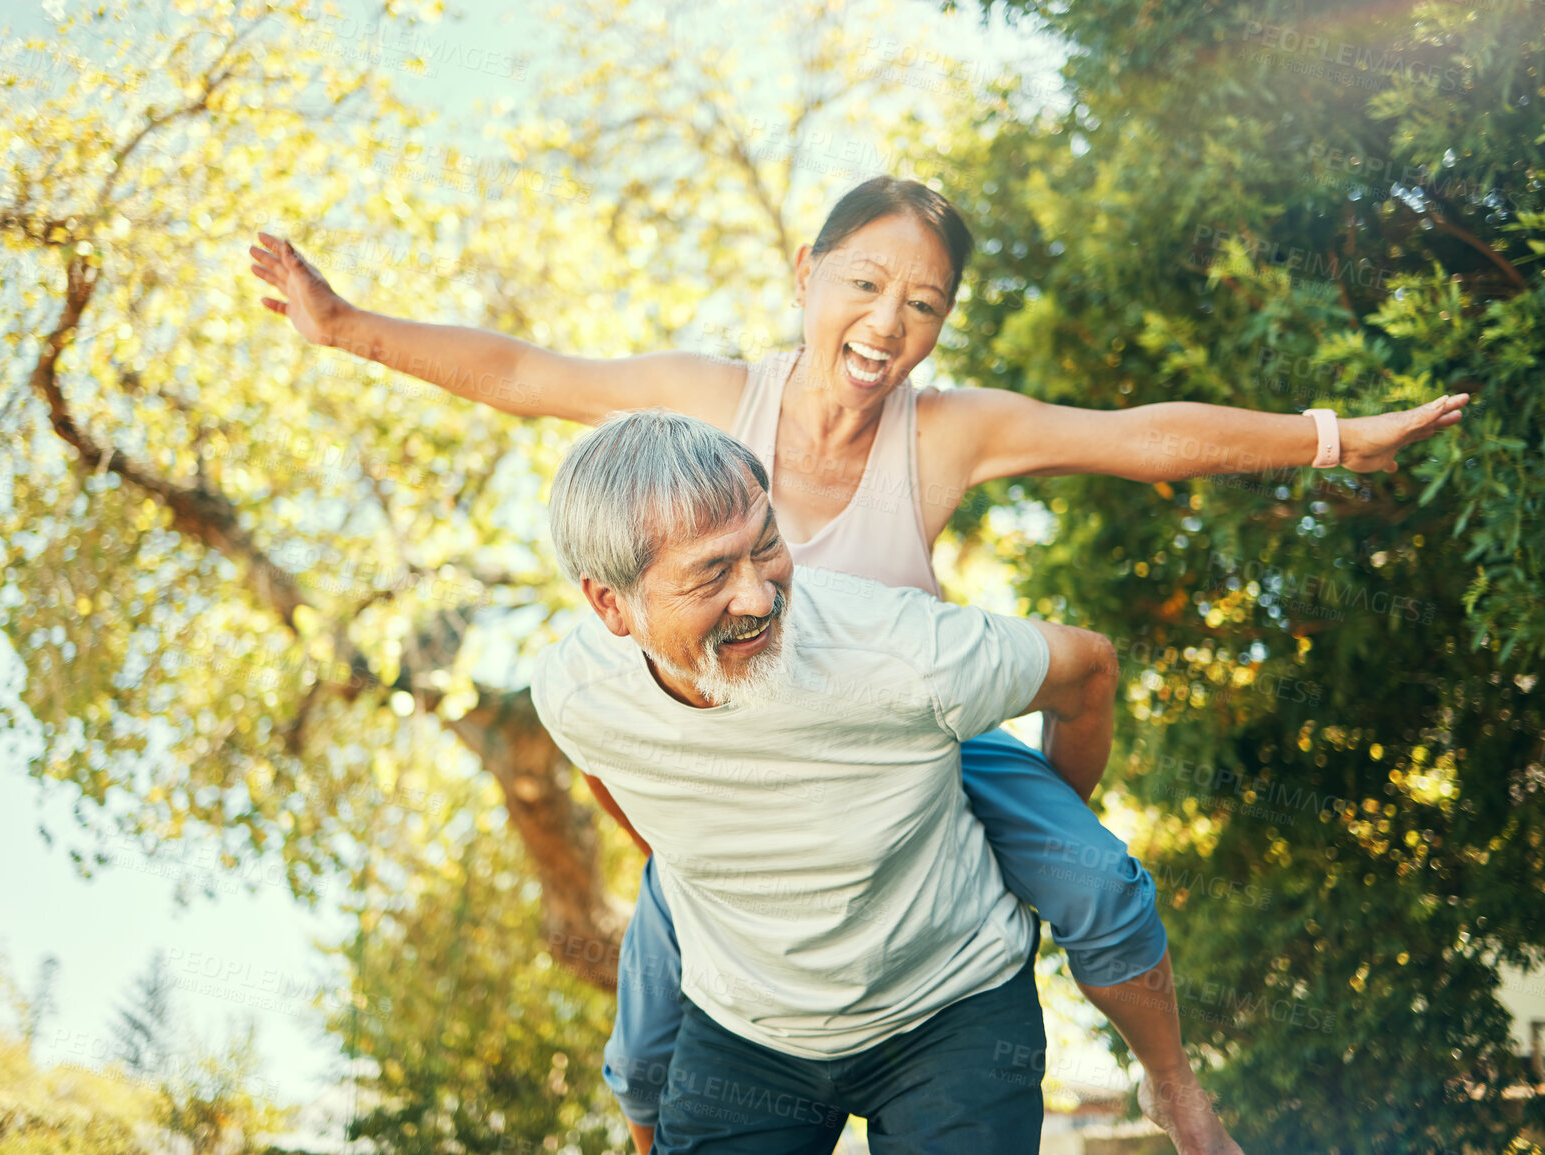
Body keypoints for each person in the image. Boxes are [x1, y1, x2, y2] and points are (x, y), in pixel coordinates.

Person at [247, 175, 1464, 1148]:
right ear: (806, 278)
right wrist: (345, 328)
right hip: (747, 759)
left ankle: (1173, 1091)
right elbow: (524, 375)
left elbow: (1140, 442)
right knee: (648, 1034)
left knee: (1097, 884)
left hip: (909, 742)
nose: (889, 325)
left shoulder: (949, 432)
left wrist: (1331, 439)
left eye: (924, 304)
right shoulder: (712, 401)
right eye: (866, 283)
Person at [531, 409, 1237, 1154]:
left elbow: (1088, 667)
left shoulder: (907, 654)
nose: (759, 596)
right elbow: (610, 772)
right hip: (746, 1030)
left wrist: (1035, 830)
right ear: (611, 604)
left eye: (766, 544)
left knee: (1101, 882)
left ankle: (1178, 1091)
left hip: (954, 1011)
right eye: (711, 573)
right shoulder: (573, 690)